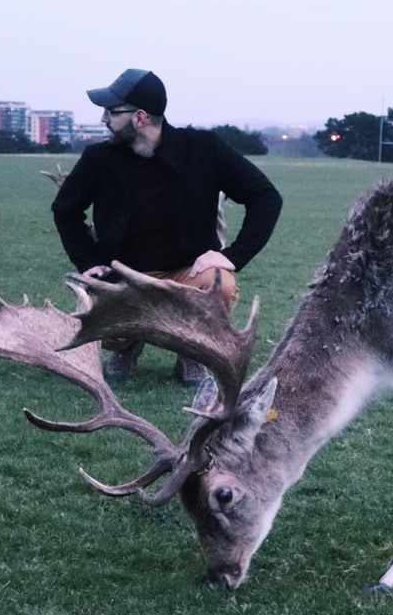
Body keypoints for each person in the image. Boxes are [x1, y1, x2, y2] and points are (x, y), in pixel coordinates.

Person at [51, 68, 283, 385]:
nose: (104, 119)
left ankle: (192, 354)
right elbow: (65, 210)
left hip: (185, 271)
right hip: (124, 274)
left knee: (220, 284)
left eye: (111, 111)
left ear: (140, 117)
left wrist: (234, 256)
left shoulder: (204, 149)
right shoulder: (98, 158)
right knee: (97, 298)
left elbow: (265, 197)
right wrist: (89, 262)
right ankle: (125, 347)